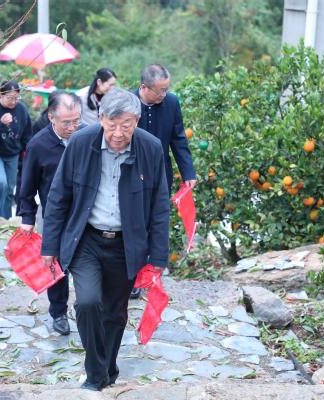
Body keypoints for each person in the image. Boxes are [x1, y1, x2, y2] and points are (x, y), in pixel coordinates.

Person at [41, 88, 170, 391]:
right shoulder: (80, 143)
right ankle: (96, 374)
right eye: (112, 125)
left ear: (137, 122)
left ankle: (106, 369)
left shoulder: (150, 149)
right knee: (87, 303)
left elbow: (160, 205)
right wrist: (50, 245)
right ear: (100, 119)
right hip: (87, 238)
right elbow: (58, 195)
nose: (118, 133)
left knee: (115, 312)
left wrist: (158, 256)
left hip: (127, 244)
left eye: (126, 125)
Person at [18, 92, 83, 336]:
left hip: (84, 213)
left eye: (76, 121)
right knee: (55, 264)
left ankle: (84, 307)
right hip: (53, 214)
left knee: (85, 261)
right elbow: (27, 184)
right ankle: (58, 312)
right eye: (66, 122)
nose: (72, 127)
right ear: (51, 117)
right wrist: (27, 217)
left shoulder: (86, 137)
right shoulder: (38, 145)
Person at [131, 64, 197, 299]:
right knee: (133, 224)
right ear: (144, 87)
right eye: (160, 90)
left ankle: (148, 274)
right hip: (131, 174)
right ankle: (131, 277)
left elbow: (178, 139)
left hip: (160, 174)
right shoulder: (127, 103)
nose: (164, 94)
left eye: (166, 89)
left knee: (155, 222)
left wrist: (188, 172)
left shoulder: (171, 102)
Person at [0, 80, 32, 218]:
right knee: (0, 183)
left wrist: (27, 151)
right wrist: (1, 124)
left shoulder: (21, 109)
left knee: (9, 189)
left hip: (12, 153)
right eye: (10, 98)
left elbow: (27, 134)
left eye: (16, 98)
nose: (13, 101)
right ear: (0, 95)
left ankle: (5, 219)